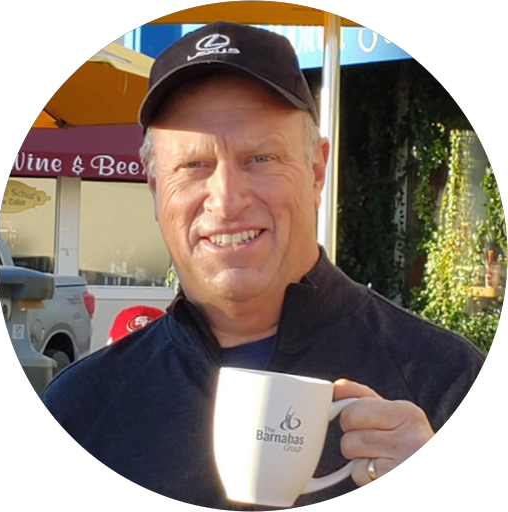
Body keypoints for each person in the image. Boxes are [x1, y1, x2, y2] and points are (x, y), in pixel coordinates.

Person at [41, 21, 485, 507]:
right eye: (193, 165)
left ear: (316, 171)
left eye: (260, 158)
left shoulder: (444, 383)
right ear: (154, 188)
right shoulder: (82, 408)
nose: (227, 199)